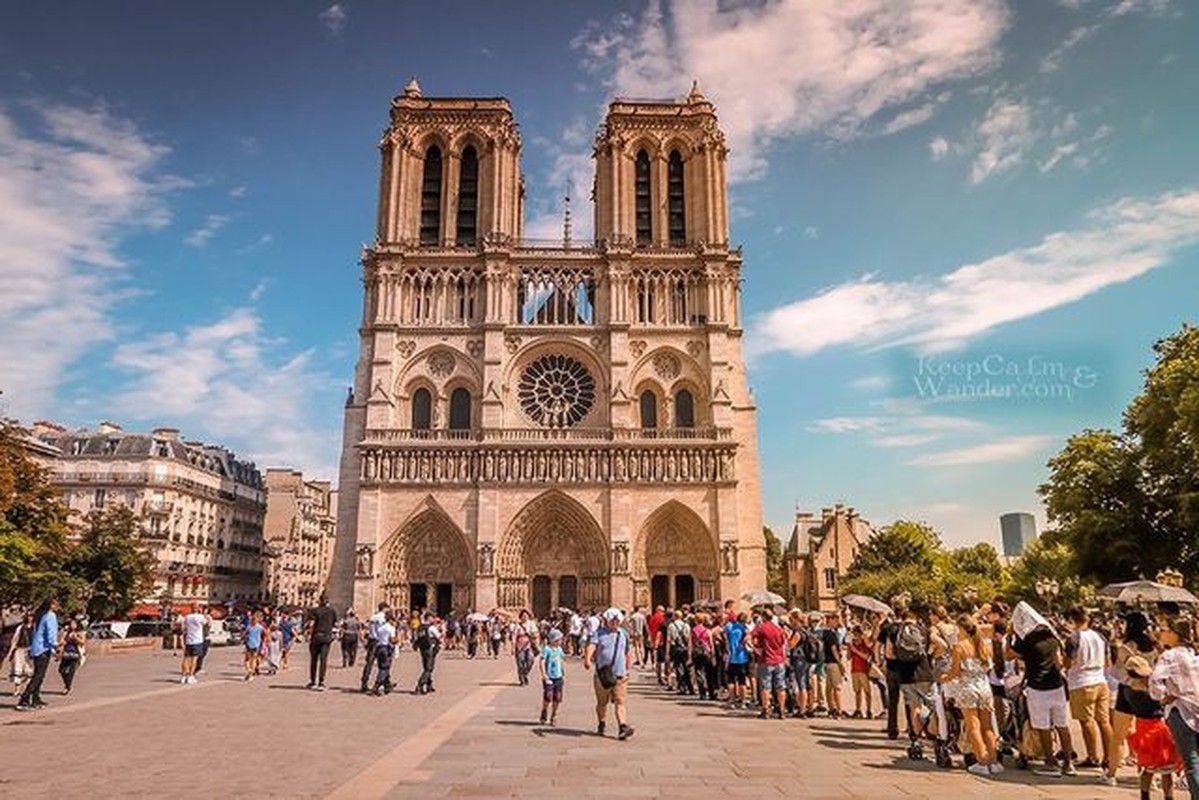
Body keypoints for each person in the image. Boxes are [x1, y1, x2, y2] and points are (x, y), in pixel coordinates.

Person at [1007, 601, 1077, 776]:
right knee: (1062, 725)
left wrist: (1010, 636)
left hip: (1037, 688)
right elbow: (1059, 663)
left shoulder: (1027, 640)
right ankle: (1068, 763)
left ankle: (1050, 761)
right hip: (1056, 686)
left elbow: (1008, 654)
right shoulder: (1052, 638)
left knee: (1043, 726)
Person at [1107, 611, 1161, 786]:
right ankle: (1151, 775)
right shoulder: (1155, 646)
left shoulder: (1127, 647)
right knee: (1149, 734)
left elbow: (1116, 672)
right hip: (1150, 692)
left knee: (1119, 734)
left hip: (1128, 690)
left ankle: (1111, 774)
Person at [944, 614, 1000, 776]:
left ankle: (982, 761)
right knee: (988, 727)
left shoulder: (959, 647)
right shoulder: (984, 645)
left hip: (968, 688)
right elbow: (988, 667)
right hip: (984, 687)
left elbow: (955, 672)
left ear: (961, 628)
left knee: (973, 727)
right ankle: (994, 761)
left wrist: (943, 678)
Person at [1150, 616, 1199, 800]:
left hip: (1181, 713)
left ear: (1174, 634)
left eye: (1163, 630)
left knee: (1192, 763)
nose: (1160, 633)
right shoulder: (1194, 653)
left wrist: (1164, 697)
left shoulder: (1169, 656)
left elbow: (1154, 682)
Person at [1064, 606, 1112, 768]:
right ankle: (1109, 756)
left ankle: (1093, 756)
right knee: (1104, 721)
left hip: (1082, 681)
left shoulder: (1074, 638)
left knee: (1086, 721)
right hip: (1100, 679)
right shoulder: (1100, 637)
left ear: (1072, 621)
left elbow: (1068, 662)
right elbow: (1107, 662)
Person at [584, 607, 634, 740]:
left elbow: (627, 651)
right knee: (602, 703)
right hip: (603, 675)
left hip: (620, 675)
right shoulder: (599, 633)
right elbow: (592, 645)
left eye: (617, 620)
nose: (615, 623)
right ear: (607, 620)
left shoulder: (623, 634)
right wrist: (588, 658)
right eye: (613, 620)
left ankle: (622, 727)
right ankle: (601, 722)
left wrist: (627, 668)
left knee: (620, 701)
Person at [17, 598, 58, 711]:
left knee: (39, 675)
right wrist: (56, 646)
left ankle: (36, 698)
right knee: (38, 675)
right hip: (43, 649)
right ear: (51, 605)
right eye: (55, 604)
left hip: (37, 648)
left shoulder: (40, 616)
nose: (57, 606)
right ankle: (24, 699)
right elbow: (51, 634)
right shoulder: (50, 616)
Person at [750, 607, 788, 720]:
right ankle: (781, 711)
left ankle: (766, 710)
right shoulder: (778, 629)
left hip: (766, 660)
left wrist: (755, 648)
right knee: (781, 687)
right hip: (779, 660)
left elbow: (748, 637)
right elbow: (783, 643)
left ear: (763, 617)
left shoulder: (761, 628)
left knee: (765, 687)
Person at [305, 595, 338, 691]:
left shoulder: (314, 611)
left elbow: (311, 624)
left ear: (319, 601)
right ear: (327, 602)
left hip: (316, 637)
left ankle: (312, 682)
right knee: (323, 660)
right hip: (326, 638)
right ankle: (321, 682)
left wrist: (308, 636)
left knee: (314, 660)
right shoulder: (332, 611)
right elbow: (335, 624)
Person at [539, 628, 567, 725]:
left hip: (558, 677)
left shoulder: (559, 649)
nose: (560, 641)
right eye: (559, 639)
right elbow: (542, 662)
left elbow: (561, 661)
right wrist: (544, 674)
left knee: (557, 697)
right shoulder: (547, 649)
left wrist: (563, 674)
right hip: (549, 677)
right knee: (548, 696)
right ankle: (544, 710)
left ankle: (554, 714)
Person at [724, 611, 751, 709]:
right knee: (742, 681)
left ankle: (732, 701)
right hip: (742, 656)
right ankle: (743, 701)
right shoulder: (744, 628)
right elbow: (747, 638)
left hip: (731, 656)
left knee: (731, 680)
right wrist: (742, 644)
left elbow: (724, 636)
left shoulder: (729, 626)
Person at [361, 601, 389, 692]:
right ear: (384, 608)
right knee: (384, 663)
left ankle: (364, 683)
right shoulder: (382, 618)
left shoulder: (373, 617)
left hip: (371, 640)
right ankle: (382, 684)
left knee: (369, 663)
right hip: (379, 642)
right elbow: (383, 630)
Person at [5, 612, 34, 697]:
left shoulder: (35, 628)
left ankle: (27, 690)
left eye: (31, 616)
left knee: (29, 670)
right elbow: (15, 640)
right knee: (17, 669)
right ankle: (17, 690)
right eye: (28, 616)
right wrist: (11, 652)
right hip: (20, 650)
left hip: (30, 651)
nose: (30, 618)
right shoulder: (20, 627)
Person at [849, 625, 873, 719]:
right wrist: (849, 648)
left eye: (857, 634)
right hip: (854, 669)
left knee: (867, 691)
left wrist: (856, 651)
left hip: (863, 670)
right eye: (854, 634)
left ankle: (869, 710)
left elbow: (867, 657)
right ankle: (858, 709)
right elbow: (848, 657)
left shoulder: (865, 643)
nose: (855, 636)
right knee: (857, 691)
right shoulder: (852, 643)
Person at [180, 605, 209, 684]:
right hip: (197, 640)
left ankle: (184, 676)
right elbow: (207, 623)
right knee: (194, 659)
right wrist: (205, 614)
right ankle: (191, 676)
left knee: (186, 658)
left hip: (189, 639)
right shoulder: (200, 617)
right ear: (198, 609)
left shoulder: (187, 617)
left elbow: (183, 628)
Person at [666, 610, 693, 695]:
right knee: (687, 668)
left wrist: (667, 652)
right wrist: (690, 652)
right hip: (685, 649)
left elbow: (669, 640)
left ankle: (682, 687)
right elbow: (689, 640)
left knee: (678, 668)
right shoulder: (686, 625)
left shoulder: (671, 626)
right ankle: (690, 687)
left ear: (675, 616)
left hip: (676, 649)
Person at [414, 613, 442, 695]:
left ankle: (429, 685)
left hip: (422, 649)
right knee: (429, 668)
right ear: (429, 618)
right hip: (430, 649)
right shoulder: (431, 628)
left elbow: (416, 638)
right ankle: (420, 684)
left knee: (426, 666)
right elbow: (439, 637)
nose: (434, 619)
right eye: (432, 618)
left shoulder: (419, 628)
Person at [372, 611, 398, 696]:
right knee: (384, 668)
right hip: (386, 648)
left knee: (382, 667)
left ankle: (386, 685)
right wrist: (398, 640)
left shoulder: (381, 627)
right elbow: (392, 640)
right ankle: (377, 685)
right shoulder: (390, 628)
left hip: (379, 647)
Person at [57, 619, 85, 695]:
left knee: (71, 672)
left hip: (75, 654)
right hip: (66, 653)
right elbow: (61, 642)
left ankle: (67, 687)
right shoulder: (66, 632)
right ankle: (67, 684)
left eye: (73, 624)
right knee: (61, 670)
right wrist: (61, 644)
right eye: (71, 624)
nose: (72, 625)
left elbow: (83, 642)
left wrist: (75, 637)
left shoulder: (80, 632)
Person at [514, 611, 536, 686]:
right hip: (519, 646)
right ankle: (522, 679)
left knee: (530, 661)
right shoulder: (517, 625)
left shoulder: (531, 623)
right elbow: (514, 636)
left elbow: (536, 633)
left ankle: (525, 674)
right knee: (520, 663)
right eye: (523, 616)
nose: (525, 617)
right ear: (520, 617)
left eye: (526, 616)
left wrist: (534, 637)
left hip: (529, 645)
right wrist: (513, 646)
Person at [243, 611, 265, 681]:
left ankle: (249, 670)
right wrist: (263, 641)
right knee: (253, 660)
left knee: (247, 660)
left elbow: (244, 634)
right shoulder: (260, 627)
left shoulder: (249, 627)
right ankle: (251, 672)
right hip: (256, 645)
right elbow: (265, 633)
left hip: (249, 644)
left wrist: (244, 637)